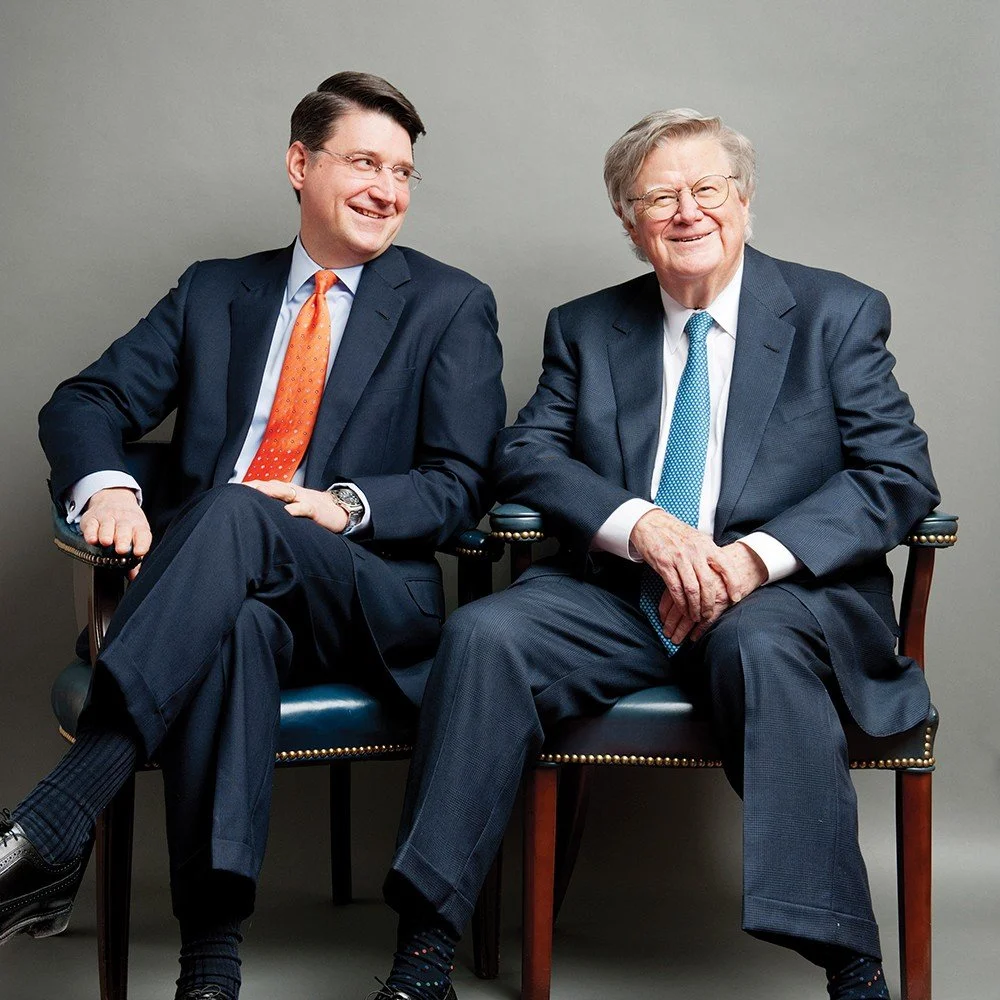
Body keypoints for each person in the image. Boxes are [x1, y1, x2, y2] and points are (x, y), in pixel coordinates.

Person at [377, 110, 937, 1000]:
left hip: (778, 600)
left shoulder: (836, 313)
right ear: (630, 224)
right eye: (659, 197)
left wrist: (749, 562)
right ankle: (424, 953)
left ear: (744, 201)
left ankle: (851, 967)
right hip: (621, 596)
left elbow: (898, 474)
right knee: (484, 636)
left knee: (758, 643)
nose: (687, 213)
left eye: (706, 189)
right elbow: (525, 452)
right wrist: (641, 525)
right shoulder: (588, 327)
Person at [0, 71, 505, 1000]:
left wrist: (347, 504)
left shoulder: (448, 304)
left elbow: (461, 481)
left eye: (403, 173)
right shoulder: (214, 292)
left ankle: (62, 811)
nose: (387, 189)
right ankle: (210, 969)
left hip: (361, 593)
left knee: (237, 505)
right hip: (219, 594)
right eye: (365, 162)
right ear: (298, 163)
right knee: (231, 627)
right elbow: (85, 401)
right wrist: (109, 489)